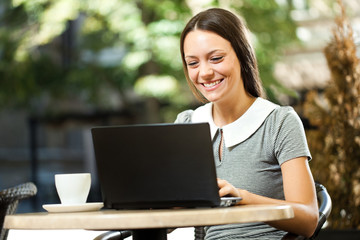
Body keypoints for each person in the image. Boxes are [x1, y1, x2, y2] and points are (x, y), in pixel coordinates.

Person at [175, 8, 319, 239]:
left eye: (216, 58)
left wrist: (242, 198)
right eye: (193, 63)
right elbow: (174, 216)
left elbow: (308, 219)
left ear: (242, 55)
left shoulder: (279, 122)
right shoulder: (186, 124)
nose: (205, 73)